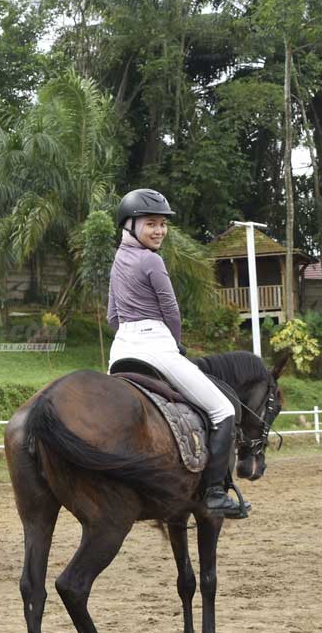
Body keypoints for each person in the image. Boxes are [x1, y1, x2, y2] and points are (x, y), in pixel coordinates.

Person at [106, 188, 248, 518]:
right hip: (157, 346)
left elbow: (113, 316)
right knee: (223, 410)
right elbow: (170, 309)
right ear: (129, 225)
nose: (159, 231)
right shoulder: (151, 260)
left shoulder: (118, 260)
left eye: (162, 225)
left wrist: (130, 333)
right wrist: (176, 343)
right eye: (151, 224)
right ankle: (214, 492)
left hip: (121, 350)